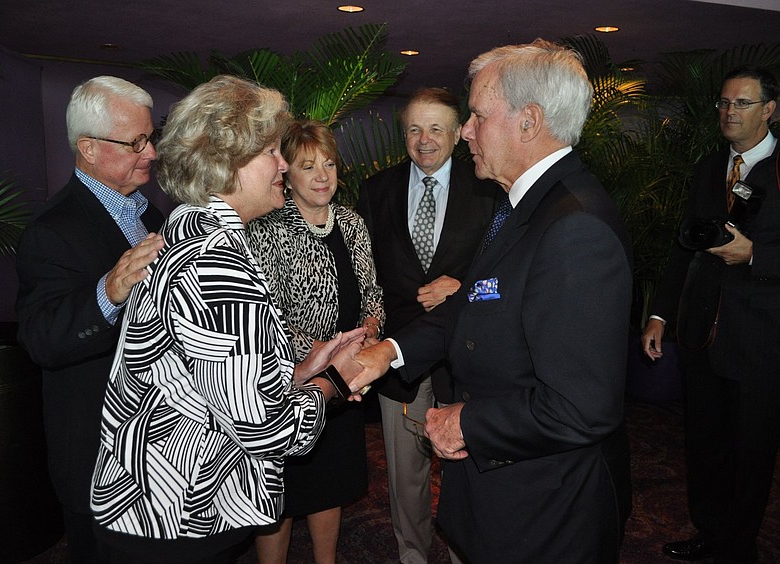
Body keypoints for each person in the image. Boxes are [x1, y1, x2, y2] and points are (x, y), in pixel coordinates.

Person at [349, 39, 633, 563]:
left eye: (477, 115)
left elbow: (582, 407)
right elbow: (476, 301)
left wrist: (465, 423)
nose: (466, 131)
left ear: (528, 122)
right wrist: (389, 351)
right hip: (511, 493)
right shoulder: (525, 205)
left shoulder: (574, 227)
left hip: (546, 509)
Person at [89, 75, 367, 564]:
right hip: (174, 519)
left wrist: (299, 371)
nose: (283, 164)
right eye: (271, 153)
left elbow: (211, 377)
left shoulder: (187, 226)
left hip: (151, 505)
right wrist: (334, 382)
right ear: (226, 163)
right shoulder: (216, 263)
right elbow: (266, 428)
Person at [15, 76, 165, 564]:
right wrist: (109, 290)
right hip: (100, 456)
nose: (151, 154)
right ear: (89, 149)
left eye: (151, 137)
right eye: (136, 142)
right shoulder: (51, 230)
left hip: (160, 451)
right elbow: (43, 341)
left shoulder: (151, 214)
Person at [642, 66, 780, 563]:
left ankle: (738, 546)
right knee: (705, 443)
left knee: (751, 452)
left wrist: (757, 257)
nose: (729, 112)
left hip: (761, 340)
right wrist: (659, 315)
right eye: (723, 103)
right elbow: (685, 246)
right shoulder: (708, 167)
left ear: (770, 109)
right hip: (703, 334)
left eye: (741, 104)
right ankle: (710, 532)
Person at [355, 87, 497, 564]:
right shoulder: (377, 190)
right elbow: (364, 270)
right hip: (398, 356)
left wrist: (461, 285)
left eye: (436, 128)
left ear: (458, 133)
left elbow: (506, 266)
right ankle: (411, 555)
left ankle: (464, 553)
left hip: (466, 352)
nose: (425, 139)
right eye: (415, 128)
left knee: (467, 466)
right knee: (405, 473)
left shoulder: (489, 187)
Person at [247, 119, 385, 564]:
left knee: (332, 484)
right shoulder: (267, 227)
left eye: (329, 164)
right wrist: (331, 356)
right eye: (309, 167)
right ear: (286, 172)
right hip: (294, 385)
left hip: (349, 381)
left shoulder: (351, 221)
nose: (323, 176)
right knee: (283, 496)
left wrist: (369, 336)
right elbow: (272, 315)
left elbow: (373, 294)